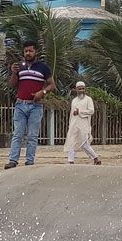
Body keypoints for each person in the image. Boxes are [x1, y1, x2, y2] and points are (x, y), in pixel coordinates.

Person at [7, 40, 54, 169]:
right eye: (26, 51)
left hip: (36, 106)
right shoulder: (19, 67)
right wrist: (13, 73)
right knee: (18, 134)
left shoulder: (43, 67)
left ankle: (29, 161)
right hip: (20, 104)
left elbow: (52, 85)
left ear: (36, 52)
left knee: (32, 135)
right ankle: (13, 160)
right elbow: (12, 85)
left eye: (30, 51)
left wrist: (42, 92)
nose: (28, 53)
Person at [64, 82, 101, 165]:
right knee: (72, 142)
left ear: (85, 89)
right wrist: (70, 124)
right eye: (79, 89)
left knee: (84, 143)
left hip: (84, 124)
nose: (81, 90)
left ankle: (95, 158)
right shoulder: (74, 100)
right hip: (74, 124)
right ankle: (70, 161)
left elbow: (91, 111)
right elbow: (72, 113)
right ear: (76, 90)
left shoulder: (88, 99)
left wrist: (80, 112)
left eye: (83, 89)